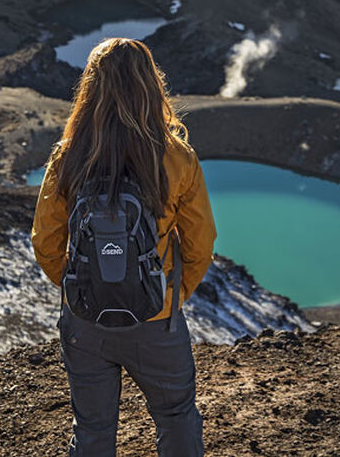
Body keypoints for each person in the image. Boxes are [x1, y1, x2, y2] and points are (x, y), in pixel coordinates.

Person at [31, 37, 217, 457]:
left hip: (85, 321)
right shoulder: (177, 157)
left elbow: (45, 241)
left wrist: (80, 287)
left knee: (93, 429)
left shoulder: (68, 157)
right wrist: (172, 296)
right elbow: (201, 243)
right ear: (151, 85)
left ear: (90, 89)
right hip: (156, 319)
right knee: (176, 417)